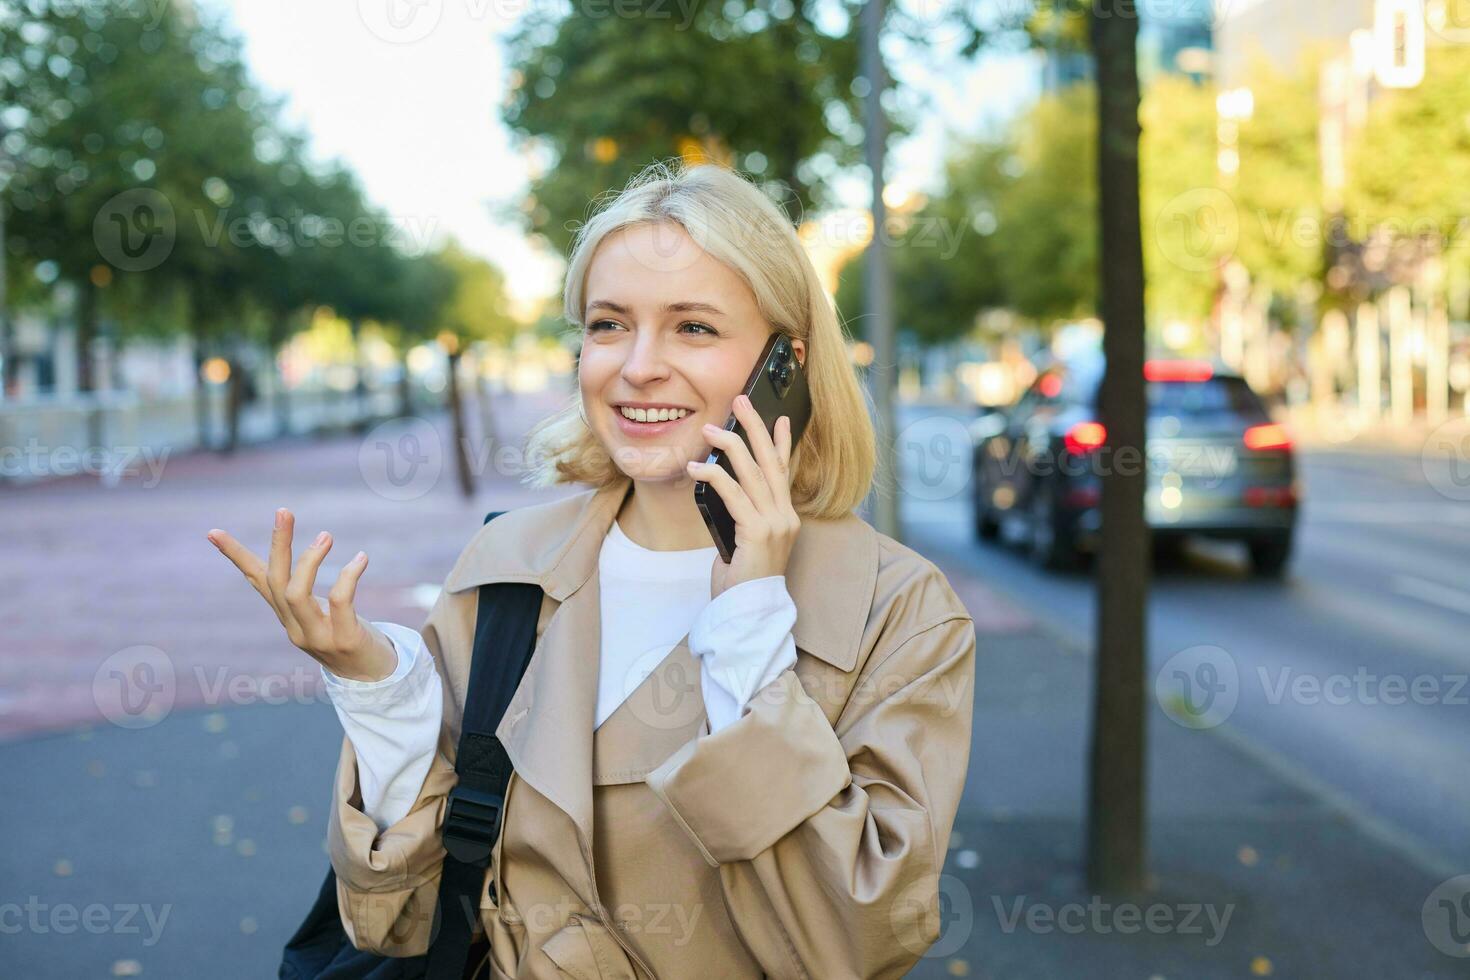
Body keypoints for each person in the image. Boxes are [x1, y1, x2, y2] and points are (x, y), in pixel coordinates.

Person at [207, 159, 976, 979]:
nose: (636, 365)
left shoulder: (898, 612)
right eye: (609, 324)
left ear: (784, 363)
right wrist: (381, 691)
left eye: (694, 327)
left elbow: (856, 937)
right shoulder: (506, 569)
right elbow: (404, 920)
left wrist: (750, 620)